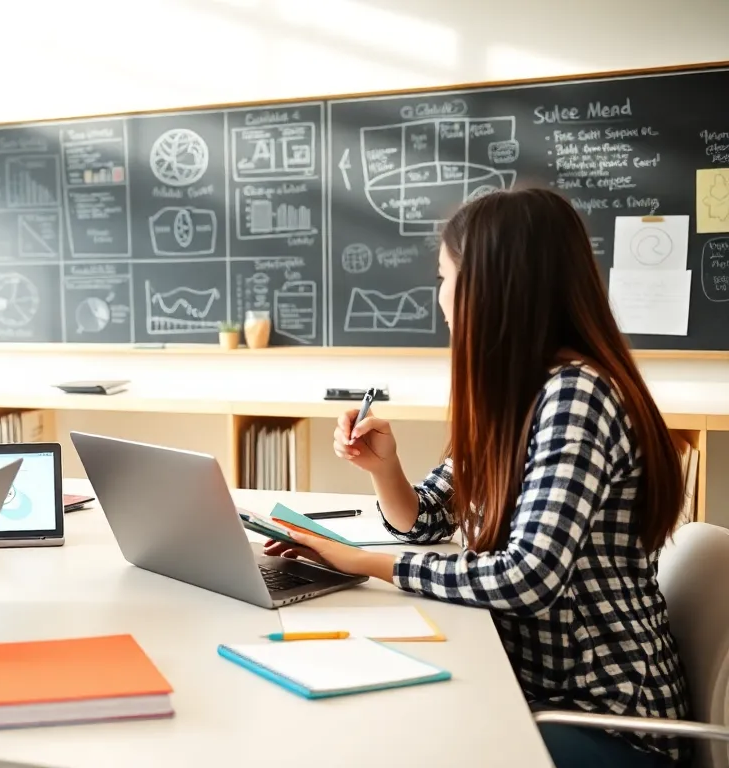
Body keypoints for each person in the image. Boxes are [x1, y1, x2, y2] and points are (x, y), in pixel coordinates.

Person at [265, 188, 690, 768]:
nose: (438, 295)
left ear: (491, 286)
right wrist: (383, 466)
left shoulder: (576, 395)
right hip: (536, 691)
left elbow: (526, 577)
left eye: (443, 276)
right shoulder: (517, 394)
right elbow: (427, 521)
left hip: (606, 721)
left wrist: (356, 561)